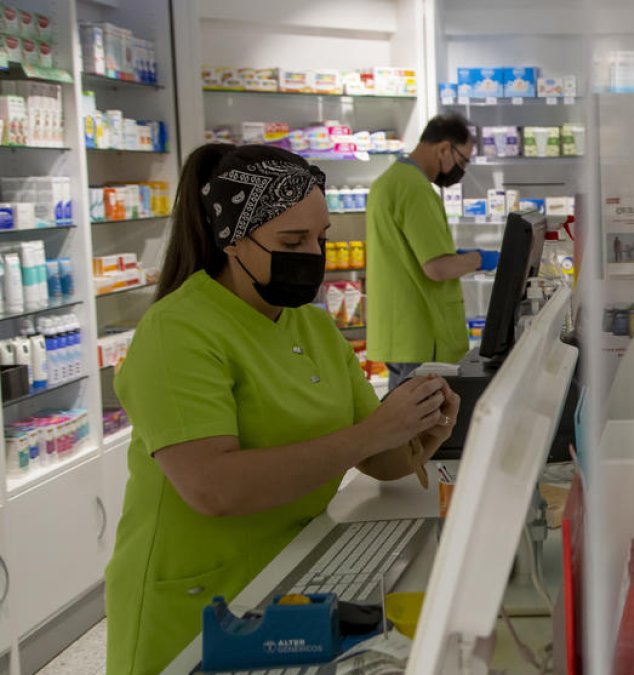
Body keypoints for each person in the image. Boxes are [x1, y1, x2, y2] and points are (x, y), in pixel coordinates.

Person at [105, 144, 462, 675]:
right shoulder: (177, 331)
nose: (313, 256)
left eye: (321, 239)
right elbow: (214, 488)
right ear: (231, 240)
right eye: (291, 241)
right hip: (198, 606)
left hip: (291, 580)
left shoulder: (312, 326)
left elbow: (380, 461)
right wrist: (371, 435)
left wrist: (421, 426)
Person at [367, 113, 495, 389]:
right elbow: (438, 268)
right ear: (444, 149)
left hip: (400, 330)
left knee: (402, 419)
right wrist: (482, 259)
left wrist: (458, 254)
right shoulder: (415, 188)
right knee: (418, 424)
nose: (460, 170)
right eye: (462, 161)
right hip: (421, 332)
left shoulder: (390, 181)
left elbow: (407, 253)